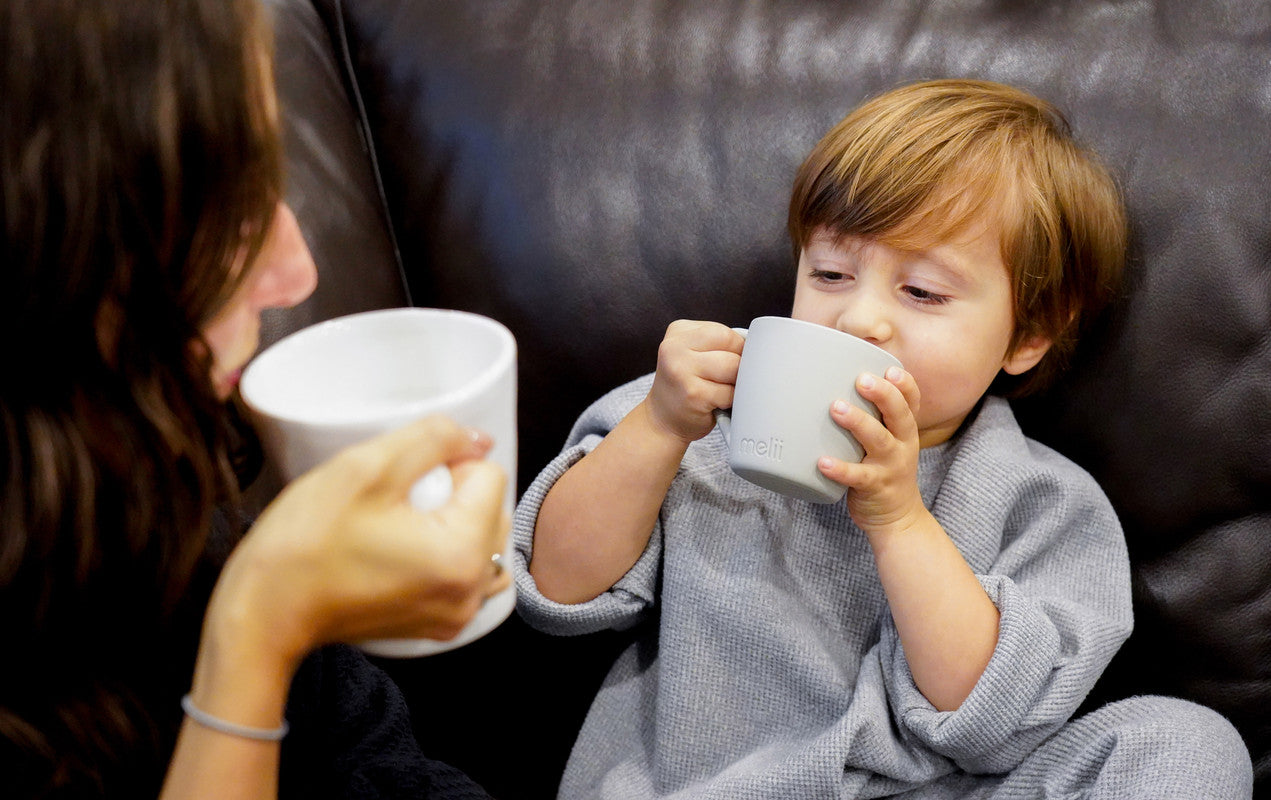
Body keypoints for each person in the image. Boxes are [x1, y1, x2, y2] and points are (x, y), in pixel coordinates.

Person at [513, 79, 1253, 798]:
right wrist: (659, 426)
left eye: (922, 292)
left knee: (1185, 744)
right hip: (704, 782)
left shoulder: (1044, 502)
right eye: (831, 273)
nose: (859, 319)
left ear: (1026, 335)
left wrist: (900, 521)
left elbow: (986, 723)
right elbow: (554, 586)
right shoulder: (691, 421)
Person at [0, 0, 508, 797]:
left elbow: (375, 763)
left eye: (273, 183)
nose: (297, 274)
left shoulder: (153, 473)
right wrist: (256, 634)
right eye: (226, 212)